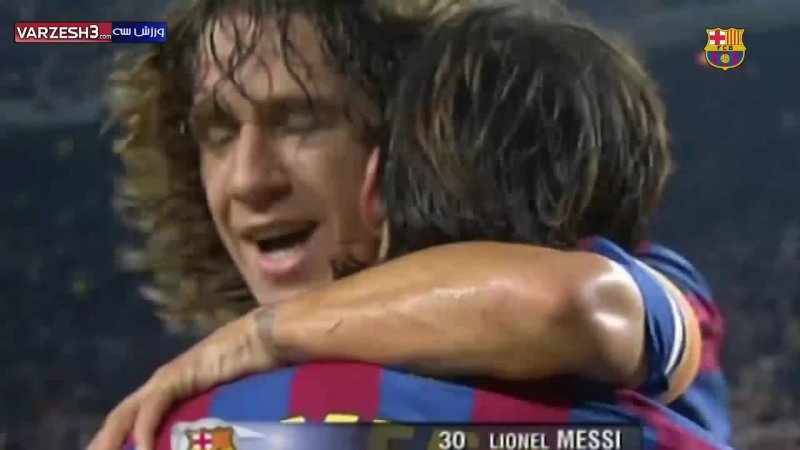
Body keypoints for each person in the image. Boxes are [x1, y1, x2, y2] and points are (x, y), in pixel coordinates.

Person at [90, 0, 728, 448]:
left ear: (402, 139)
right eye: (218, 133)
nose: (249, 180)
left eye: (301, 120)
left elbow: (570, 303)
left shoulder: (638, 281)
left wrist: (259, 337)